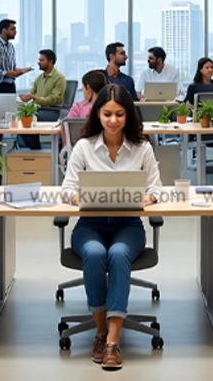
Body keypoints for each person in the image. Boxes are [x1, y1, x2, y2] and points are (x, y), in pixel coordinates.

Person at [61, 84, 162, 370]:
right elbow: (67, 188)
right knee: (94, 253)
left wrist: (146, 198)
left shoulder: (142, 148)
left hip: (128, 225)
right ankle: (100, 331)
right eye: (107, 114)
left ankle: (112, 342)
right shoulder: (84, 146)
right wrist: (80, 198)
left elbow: (157, 188)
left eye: (119, 114)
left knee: (118, 254)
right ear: (98, 114)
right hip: (90, 224)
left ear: (128, 115)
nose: (113, 120)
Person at [19, 49, 67, 149]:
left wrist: (34, 97)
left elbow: (54, 99)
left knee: (27, 121)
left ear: (50, 62)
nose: (38, 62)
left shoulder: (59, 78)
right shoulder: (39, 78)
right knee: (21, 119)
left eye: (42, 60)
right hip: (38, 110)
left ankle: (35, 150)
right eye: (39, 60)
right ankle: (35, 150)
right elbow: (32, 93)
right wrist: (25, 97)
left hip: (52, 111)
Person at [0, 18, 32, 94]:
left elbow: (11, 68)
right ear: (4, 30)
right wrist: (7, 73)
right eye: (12, 29)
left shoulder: (11, 47)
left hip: (11, 85)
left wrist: (21, 71)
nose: (15, 32)